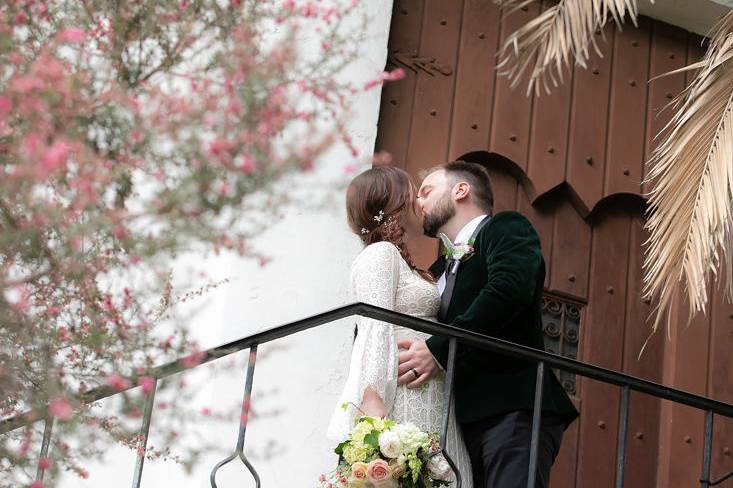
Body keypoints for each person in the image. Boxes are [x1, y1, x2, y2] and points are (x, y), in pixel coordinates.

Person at [397, 161, 579, 488]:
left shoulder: (505, 228)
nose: (418, 203)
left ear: (461, 190)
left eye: (426, 192)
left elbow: (509, 291)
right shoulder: (438, 269)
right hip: (457, 424)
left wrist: (437, 351)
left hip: (512, 410)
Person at [327, 165, 473, 487]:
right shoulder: (380, 254)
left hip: (430, 395)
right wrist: (373, 404)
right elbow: (374, 328)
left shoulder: (402, 260)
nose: (420, 204)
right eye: (413, 195)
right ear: (395, 203)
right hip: (404, 398)